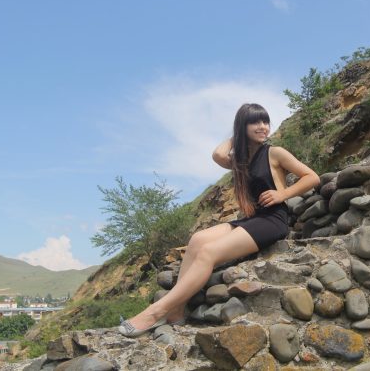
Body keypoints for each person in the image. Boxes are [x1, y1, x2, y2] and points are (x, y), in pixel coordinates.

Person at [119, 103, 320, 337]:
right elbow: (218, 154)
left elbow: (312, 177)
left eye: (265, 121)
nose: (263, 127)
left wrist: (282, 194)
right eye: (255, 122)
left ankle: (155, 312)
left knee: (209, 252)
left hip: (273, 219)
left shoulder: (275, 152)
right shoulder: (241, 160)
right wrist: (238, 137)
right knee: (198, 239)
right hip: (252, 219)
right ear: (242, 127)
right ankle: (176, 312)